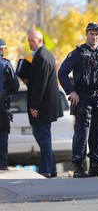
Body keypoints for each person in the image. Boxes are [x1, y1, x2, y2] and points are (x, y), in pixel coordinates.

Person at [58, 22, 98, 178]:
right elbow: (62, 73)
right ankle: (78, 167)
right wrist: (71, 92)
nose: (95, 37)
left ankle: (95, 166)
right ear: (86, 34)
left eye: (97, 34)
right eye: (92, 34)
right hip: (83, 97)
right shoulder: (77, 53)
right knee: (82, 133)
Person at [26, 30, 63, 178]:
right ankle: (51, 168)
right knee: (43, 135)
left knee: (42, 135)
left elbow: (40, 85)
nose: (30, 43)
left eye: (32, 41)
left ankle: (46, 169)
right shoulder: (45, 54)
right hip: (46, 104)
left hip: (43, 106)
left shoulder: (41, 56)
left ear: (40, 41)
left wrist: (34, 105)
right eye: (29, 41)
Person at [0, 39, 19, 170]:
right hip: (2, 105)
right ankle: (2, 164)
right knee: (2, 134)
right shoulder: (5, 64)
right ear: (2, 49)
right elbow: (16, 85)